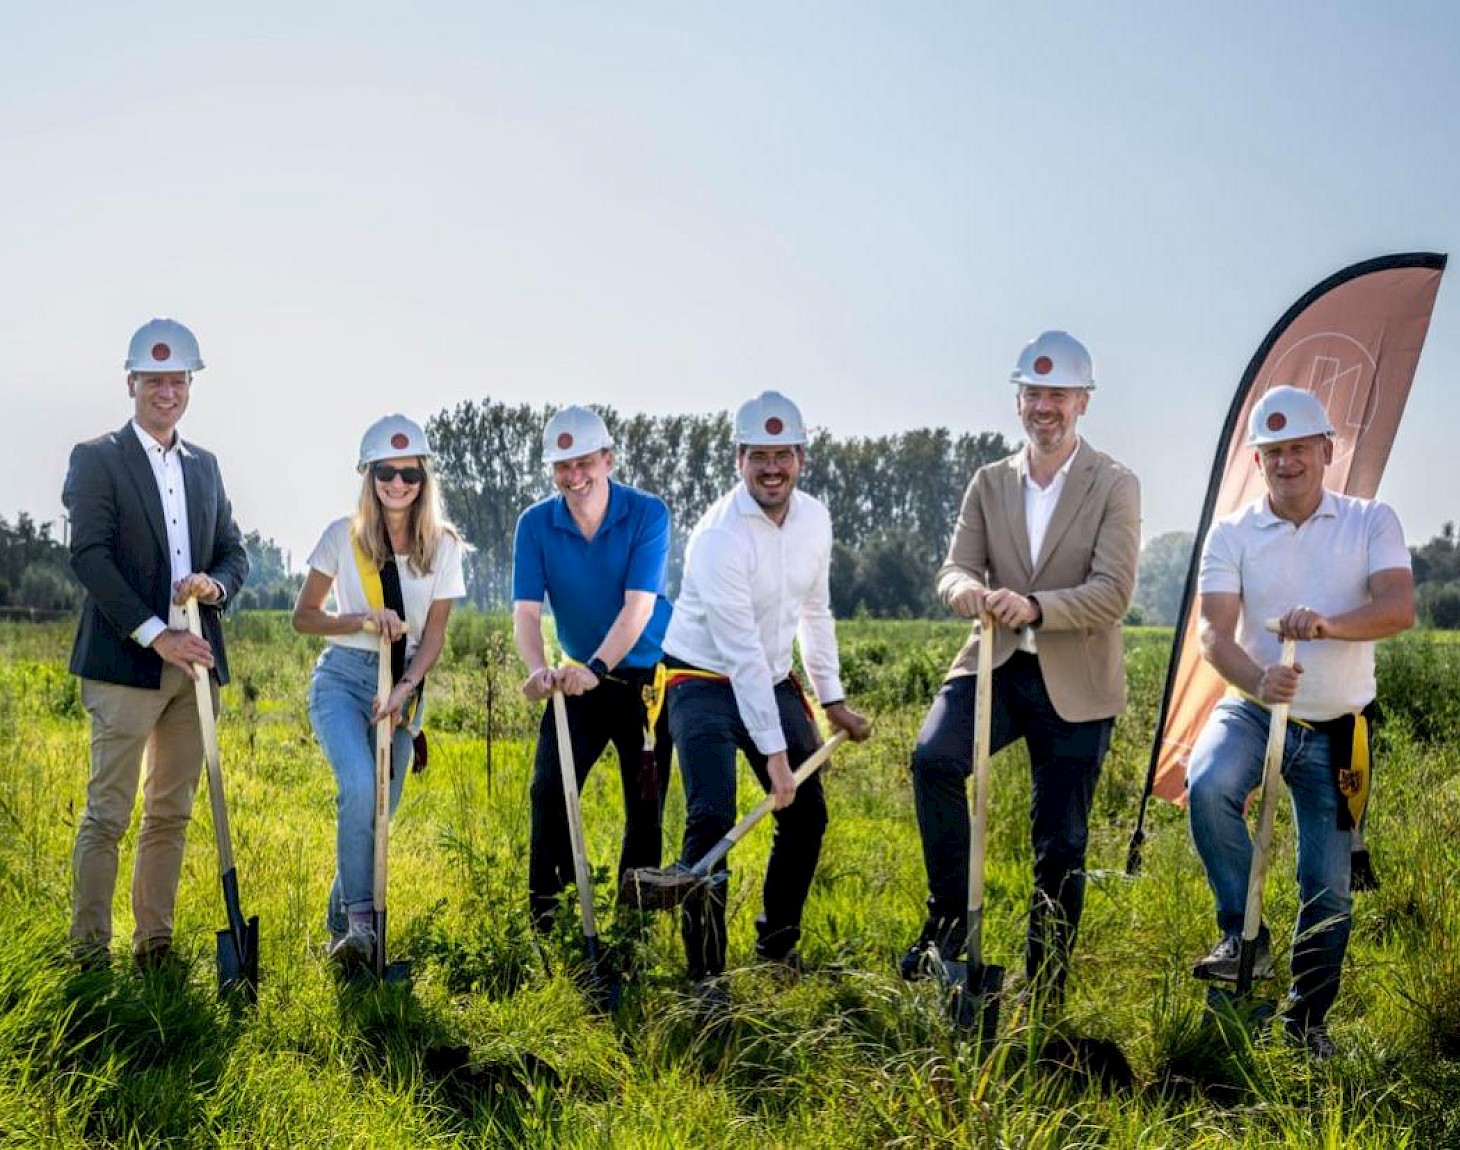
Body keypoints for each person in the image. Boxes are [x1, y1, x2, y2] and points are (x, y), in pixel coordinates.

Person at [904, 330, 1140, 1008]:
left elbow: (1112, 592)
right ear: (1018, 402)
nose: (1045, 407)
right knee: (934, 759)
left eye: (1058, 395)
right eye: (1033, 394)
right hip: (997, 662)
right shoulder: (989, 482)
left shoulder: (1115, 484)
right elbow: (953, 568)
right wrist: (966, 594)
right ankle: (947, 924)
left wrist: (1034, 605)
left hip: (1079, 681)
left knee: (1059, 846)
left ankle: (1046, 995)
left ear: (1083, 402)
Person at [1186, 386, 1413, 1058]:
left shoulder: (1372, 521)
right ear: (1259, 462)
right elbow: (1210, 630)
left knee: (1328, 890)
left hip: (1339, 729)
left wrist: (1327, 624)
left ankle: (1304, 1025)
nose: (1287, 462)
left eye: (1299, 449)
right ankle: (1241, 936)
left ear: (1327, 450)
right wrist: (1256, 678)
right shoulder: (1231, 532)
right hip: (1255, 706)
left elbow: (1398, 607)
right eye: (1273, 452)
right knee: (1209, 783)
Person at [661, 390, 871, 998]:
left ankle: (776, 947)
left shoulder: (816, 521)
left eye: (783, 455)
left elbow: (815, 610)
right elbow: (741, 654)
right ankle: (705, 976)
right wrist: (776, 759)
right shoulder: (718, 538)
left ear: (802, 457)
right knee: (712, 816)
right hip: (700, 679)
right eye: (759, 456)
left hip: (773, 678)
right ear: (739, 460)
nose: (771, 468)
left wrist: (830, 700)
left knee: (806, 816)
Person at [63, 317, 250, 970]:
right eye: (154, 379)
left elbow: (234, 553)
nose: (167, 391)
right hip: (124, 664)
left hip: (194, 669)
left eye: (178, 380)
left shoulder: (206, 467)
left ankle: (155, 948)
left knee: (170, 814)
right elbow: (88, 556)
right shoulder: (98, 458)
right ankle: (89, 956)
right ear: (131, 382)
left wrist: (215, 586)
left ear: (189, 386)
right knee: (108, 817)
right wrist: (156, 633)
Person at [292, 414, 466, 968]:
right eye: (386, 473)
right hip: (343, 680)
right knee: (361, 789)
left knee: (379, 815)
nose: (397, 484)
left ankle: (340, 930)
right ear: (369, 476)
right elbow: (303, 618)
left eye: (409, 475)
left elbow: (434, 635)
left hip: (403, 686)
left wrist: (406, 691)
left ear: (423, 479)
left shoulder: (442, 547)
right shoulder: (341, 537)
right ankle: (364, 928)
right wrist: (361, 619)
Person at [512, 406, 674, 936]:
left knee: (645, 800)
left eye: (584, 462)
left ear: (608, 459)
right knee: (548, 788)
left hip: (646, 679)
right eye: (562, 466)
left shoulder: (648, 514)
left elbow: (639, 608)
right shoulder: (535, 525)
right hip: (576, 676)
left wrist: (599, 667)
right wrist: (539, 669)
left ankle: (633, 926)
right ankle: (549, 920)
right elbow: (527, 613)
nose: (574, 476)